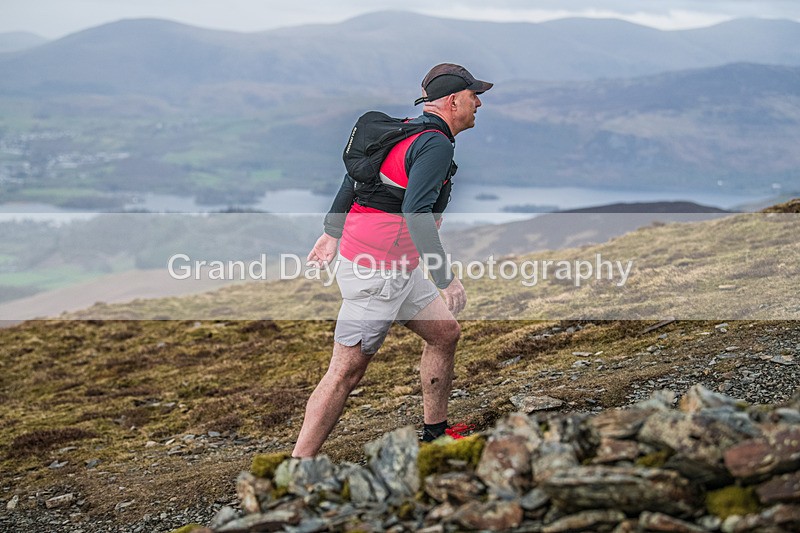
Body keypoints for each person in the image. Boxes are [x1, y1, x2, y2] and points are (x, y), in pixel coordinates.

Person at [292, 63, 493, 457]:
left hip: (393, 267)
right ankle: (297, 468)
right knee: (344, 373)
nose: (479, 103)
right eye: (473, 95)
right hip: (378, 272)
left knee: (445, 334)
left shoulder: (406, 132)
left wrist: (331, 233)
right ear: (454, 101)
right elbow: (417, 212)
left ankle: (435, 434)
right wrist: (445, 278)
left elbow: (354, 179)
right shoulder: (434, 144)